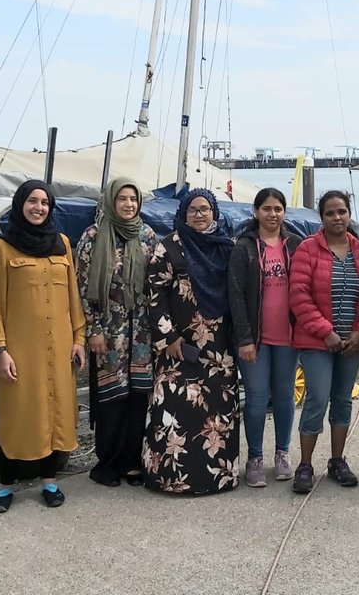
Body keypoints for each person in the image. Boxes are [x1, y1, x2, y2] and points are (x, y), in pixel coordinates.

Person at [0, 180, 86, 512]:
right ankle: (5, 485)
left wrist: (78, 339)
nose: (39, 208)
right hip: (20, 350)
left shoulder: (62, 244)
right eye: (32, 201)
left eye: (44, 202)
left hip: (58, 347)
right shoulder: (2, 248)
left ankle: (49, 480)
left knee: (55, 411)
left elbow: (73, 296)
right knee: (18, 413)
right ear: (20, 204)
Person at [144, 189, 240, 495]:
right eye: (193, 210)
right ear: (183, 214)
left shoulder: (226, 246)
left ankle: (217, 478)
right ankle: (169, 479)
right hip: (179, 344)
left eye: (205, 209)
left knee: (217, 412)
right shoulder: (169, 247)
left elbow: (239, 292)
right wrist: (168, 337)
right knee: (174, 410)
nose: (199, 215)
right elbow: (155, 295)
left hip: (220, 346)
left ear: (215, 212)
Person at [74, 178, 158, 487]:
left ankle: (132, 462)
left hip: (141, 335)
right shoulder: (93, 237)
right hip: (108, 333)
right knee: (112, 398)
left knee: (138, 398)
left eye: (133, 199)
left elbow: (157, 282)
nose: (128, 204)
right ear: (111, 201)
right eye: (122, 198)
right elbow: (83, 287)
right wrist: (92, 329)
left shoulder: (147, 236)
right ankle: (108, 464)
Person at [288, 190, 359, 494]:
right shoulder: (307, 249)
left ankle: (337, 461)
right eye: (330, 213)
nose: (337, 218)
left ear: (349, 215)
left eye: (342, 212)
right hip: (315, 341)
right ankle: (305, 465)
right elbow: (298, 295)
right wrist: (326, 332)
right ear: (321, 217)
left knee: (343, 400)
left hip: (352, 342)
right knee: (317, 398)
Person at [228, 188, 303, 487]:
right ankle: (255, 458)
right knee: (257, 399)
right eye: (267, 208)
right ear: (256, 212)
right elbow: (235, 295)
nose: (273, 214)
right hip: (255, 340)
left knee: (285, 396)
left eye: (278, 209)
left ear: (284, 212)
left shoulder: (295, 245)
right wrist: (244, 338)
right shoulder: (244, 248)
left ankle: (282, 454)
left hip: (288, 336)